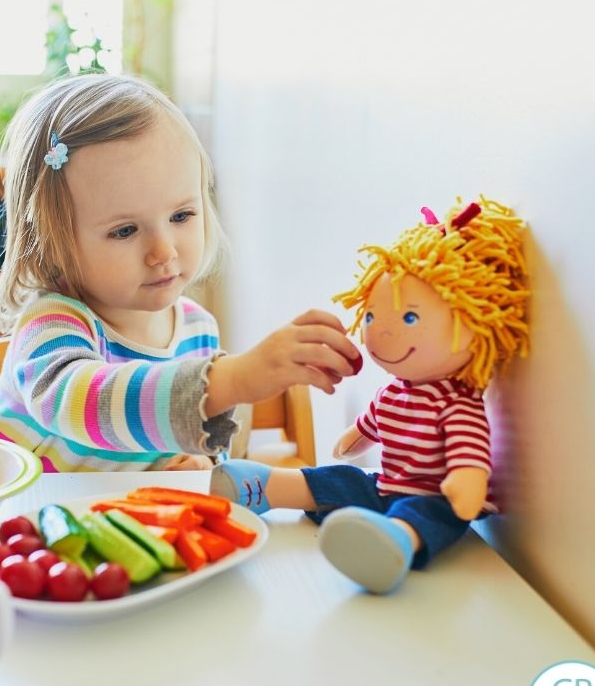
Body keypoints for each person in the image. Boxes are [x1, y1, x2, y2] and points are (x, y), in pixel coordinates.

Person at [0, 74, 361, 474]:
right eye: (124, 230)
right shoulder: (52, 325)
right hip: (28, 524)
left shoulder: (197, 328)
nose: (163, 252)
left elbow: (199, 432)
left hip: (133, 525)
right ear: (53, 240)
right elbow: (83, 405)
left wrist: (200, 461)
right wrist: (231, 379)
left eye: (181, 215)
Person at [211, 197, 530, 594]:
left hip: (432, 496)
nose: (381, 333)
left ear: (474, 323)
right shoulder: (394, 392)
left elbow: (469, 457)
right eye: (375, 317)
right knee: (343, 477)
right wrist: (354, 438)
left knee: (425, 513)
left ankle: (392, 543)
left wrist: (467, 483)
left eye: (410, 318)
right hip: (383, 485)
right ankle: (265, 487)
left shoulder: (457, 405)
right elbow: (373, 424)